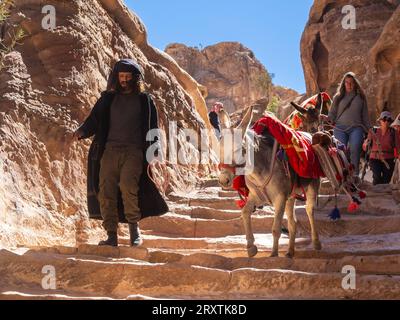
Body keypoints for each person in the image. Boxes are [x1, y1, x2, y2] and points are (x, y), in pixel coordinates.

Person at [73, 59, 168, 247]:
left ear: (135, 78)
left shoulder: (145, 100)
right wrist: (82, 131)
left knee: (128, 187)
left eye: (128, 76)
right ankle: (111, 235)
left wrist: (154, 153)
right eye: (121, 76)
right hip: (109, 151)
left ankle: (134, 231)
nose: (124, 80)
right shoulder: (107, 99)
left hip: (133, 151)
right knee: (105, 190)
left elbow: (152, 127)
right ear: (116, 77)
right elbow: (93, 120)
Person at [326, 72, 371, 176]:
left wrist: (369, 129)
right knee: (341, 152)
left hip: (356, 128)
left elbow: (365, 116)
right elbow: (332, 114)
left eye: (351, 82)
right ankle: (342, 175)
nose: (349, 85)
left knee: (355, 148)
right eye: (347, 82)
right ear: (343, 83)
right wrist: (327, 118)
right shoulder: (338, 97)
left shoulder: (361, 97)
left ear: (355, 83)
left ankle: (355, 175)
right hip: (340, 128)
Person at [362, 111, 399, 185]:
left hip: (389, 159)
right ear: (380, 121)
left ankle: (382, 195)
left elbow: (398, 146)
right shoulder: (374, 131)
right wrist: (366, 144)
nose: (386, 122)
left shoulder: (393, 132)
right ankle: (375, 193)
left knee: (386, 180)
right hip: (374, 158)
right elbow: (366, 145)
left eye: (388, 120)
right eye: (384, 119)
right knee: (377, 177)